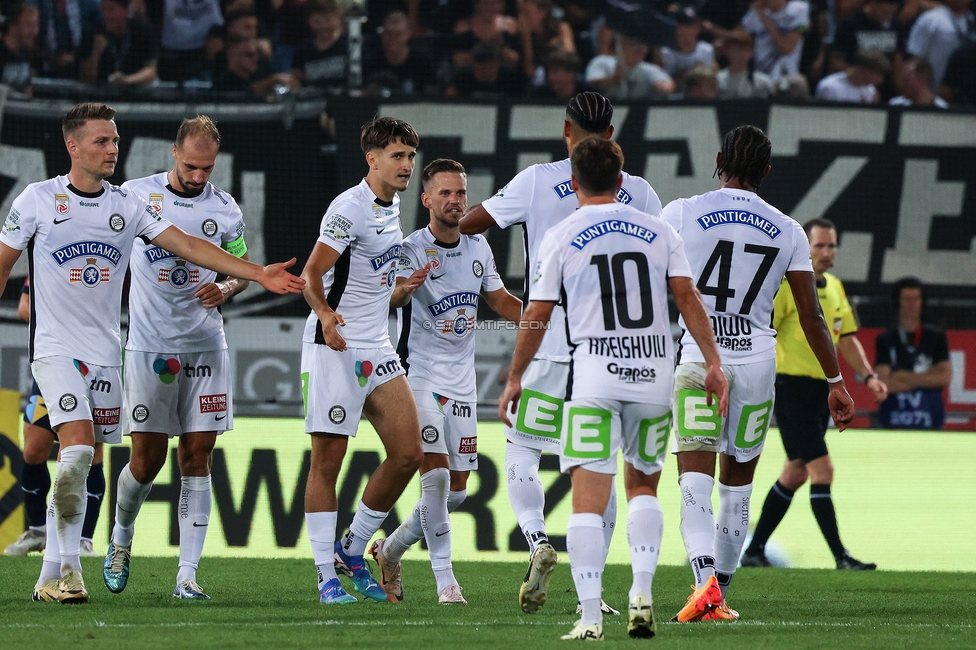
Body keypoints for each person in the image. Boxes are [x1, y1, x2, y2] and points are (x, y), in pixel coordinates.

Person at [0, 102, 303, 604]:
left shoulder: (128, 206)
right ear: (73, 146)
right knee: (75, 451)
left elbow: (188, 246)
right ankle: (71, 571)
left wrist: (252, 275)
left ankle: (49, 577)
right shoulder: (36, 199)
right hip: (58, 350)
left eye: (115, 140)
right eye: (102, 140)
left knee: (88, 457)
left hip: (107, 353)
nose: (113, 148)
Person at [498, 136, 729, 641]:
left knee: (587, 499)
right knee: (643, 487)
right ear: (622, 181)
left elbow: (537, 314)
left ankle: (588, 617)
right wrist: (713, 361)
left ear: (575, 182)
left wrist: (516, 376)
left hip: (595, 376)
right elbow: (687, 295)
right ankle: (641, 593)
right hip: (652, 374)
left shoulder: (561, 234)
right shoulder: (659, 231)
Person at [460, 91, 663, 615]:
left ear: (566, 132)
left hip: (549, 345)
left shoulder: (535, 180)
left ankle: (536, 542)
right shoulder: (639, 192)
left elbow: (471, 222)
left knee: (522, 450)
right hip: (613, 349)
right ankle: (590, 594)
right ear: (613, 138)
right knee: (603, 464)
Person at [661, 126, 857, 623]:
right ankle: (718, 594)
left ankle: (703, 581)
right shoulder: (789, 229)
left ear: (719, 159)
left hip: (699, 362)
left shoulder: (682, 212)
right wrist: (836, 382)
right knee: (737, 485)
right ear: (766, 172)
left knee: (694, 480)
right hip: (756, 366)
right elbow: (812, 316)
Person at [100, 116, 250, 601]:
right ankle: (121, 539)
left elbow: (242, 268)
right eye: (191, 166)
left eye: (207, 168)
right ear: (173, 153)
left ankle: (187, 575)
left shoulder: (225, 208)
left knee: (197, 456)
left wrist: (225, 286)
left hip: (207, 346)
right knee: (146, 461)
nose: (199, 176)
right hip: (149, 347)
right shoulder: (134, 195)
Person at [370, 159, 522, 605]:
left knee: (456, 493)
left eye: (460, 194)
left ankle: (390, 549)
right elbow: (391, 296)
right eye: (445, 194)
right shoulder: (411, 248)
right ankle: (446, 583)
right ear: (426, 200)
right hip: (418, 375)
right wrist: (405, 289)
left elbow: (499, 301)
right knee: (433, 479)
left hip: (462, 382)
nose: (455, 201)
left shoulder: (478, 248)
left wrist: (543, 320)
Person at [300, 117, 425, 605]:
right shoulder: (347, 208)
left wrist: (397, 292)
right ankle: (324, 576)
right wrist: (327, 316)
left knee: (408, 453)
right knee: (327, 462)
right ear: (371, 159)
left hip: (377, 347)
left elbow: (368, 280)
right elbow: (312, 274)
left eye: (411, 156)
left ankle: (352, 550)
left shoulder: (392, 208)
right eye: (398, 156)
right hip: (335, 348)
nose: (407, 165)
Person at [742, 217, 887, 570]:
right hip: (789, 387)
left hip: (820, 391)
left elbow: (846, 338)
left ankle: (754, 550)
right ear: (805, 247)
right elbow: (761, 332)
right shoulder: (789, 287)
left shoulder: (835, 287)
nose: (826, 252)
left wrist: (868, 376)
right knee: (823, 471)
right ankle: (841, 557)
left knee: (795, 472)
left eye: (831, 245)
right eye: (819, 245)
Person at [4, 277, 105, 559]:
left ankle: (84, 539)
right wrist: (59, 318)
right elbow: (24, 307)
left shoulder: (102, 258)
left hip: (95, 364)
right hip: (53, 363)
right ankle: (37, 531)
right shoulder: (49, 262)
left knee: (91, 451)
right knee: (34, 449)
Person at [875, 277, 952, 429]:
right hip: (894, 418)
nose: (912, 304)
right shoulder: (885, 339)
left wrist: (902, 376)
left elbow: (944, 378)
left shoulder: (936, 336)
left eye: (916, 299)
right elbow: (884, 384)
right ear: (898, 302)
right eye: (907, 299)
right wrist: (928, 378)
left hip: (929, 417)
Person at [78, 0, 158, 86]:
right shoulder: (94, 32)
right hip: (100, 94)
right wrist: (96, 52)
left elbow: (151, 71)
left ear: (126, 10)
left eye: (111, 9)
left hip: (134, 91)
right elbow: (85, 78)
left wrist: (126, 80)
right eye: (103, 9)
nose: (106, 15)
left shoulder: (142, 30)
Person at [906, 0, 975, 90]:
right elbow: (916, 58)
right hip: (933, 92)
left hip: (967, 91)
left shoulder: (972, 20)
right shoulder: (930, 19)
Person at [585, 32, 675, 100]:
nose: (642, 50)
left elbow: (667, 83)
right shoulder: (603, 62)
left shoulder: (648, 69)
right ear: (623, 45)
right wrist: (614, 78)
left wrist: (664, 87)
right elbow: (594, 84)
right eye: (637, 45)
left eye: (644, 46)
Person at [815, 49, 890, 103]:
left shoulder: (870, 90)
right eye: (877, 74)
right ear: (862, 70)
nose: (880, 80)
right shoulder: (830, 87)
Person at [0, 3, 40, 96]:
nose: (35, 31)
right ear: (13, 26)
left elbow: (27, 92)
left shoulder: (25, 53)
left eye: (36, 25)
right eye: (29, 25)